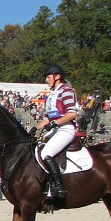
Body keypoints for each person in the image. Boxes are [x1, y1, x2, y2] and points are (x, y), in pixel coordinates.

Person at [35, 64, 80, 199]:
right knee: (36, 149)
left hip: (66, 129)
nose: (46, 80)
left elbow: (72, 114)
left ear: (57, 76)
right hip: (55, 130)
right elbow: (48, 118)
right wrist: (35, 128)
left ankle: (59, 187)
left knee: (47, 153)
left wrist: (55, 123)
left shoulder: (66, 91)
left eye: (48, 77)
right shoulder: (52, 95)